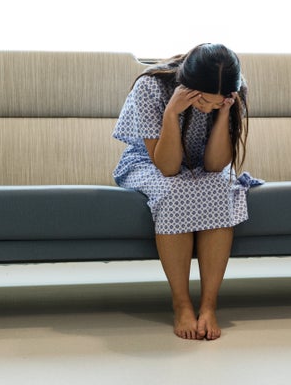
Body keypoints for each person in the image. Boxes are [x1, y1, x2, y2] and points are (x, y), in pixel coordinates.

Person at [112, 43, 262, 340]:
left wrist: (222, 114)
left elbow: (215, 164)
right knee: (173, 191)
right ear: (187, 85)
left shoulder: (231, 93)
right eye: (203, 101)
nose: (206, 107)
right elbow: (167, 167)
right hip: (150, 162)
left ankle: (208, 306)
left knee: (222, 189)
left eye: (215, 102)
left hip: (200, 166)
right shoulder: (150, 87)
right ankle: (181, 304)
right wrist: (171, 114)